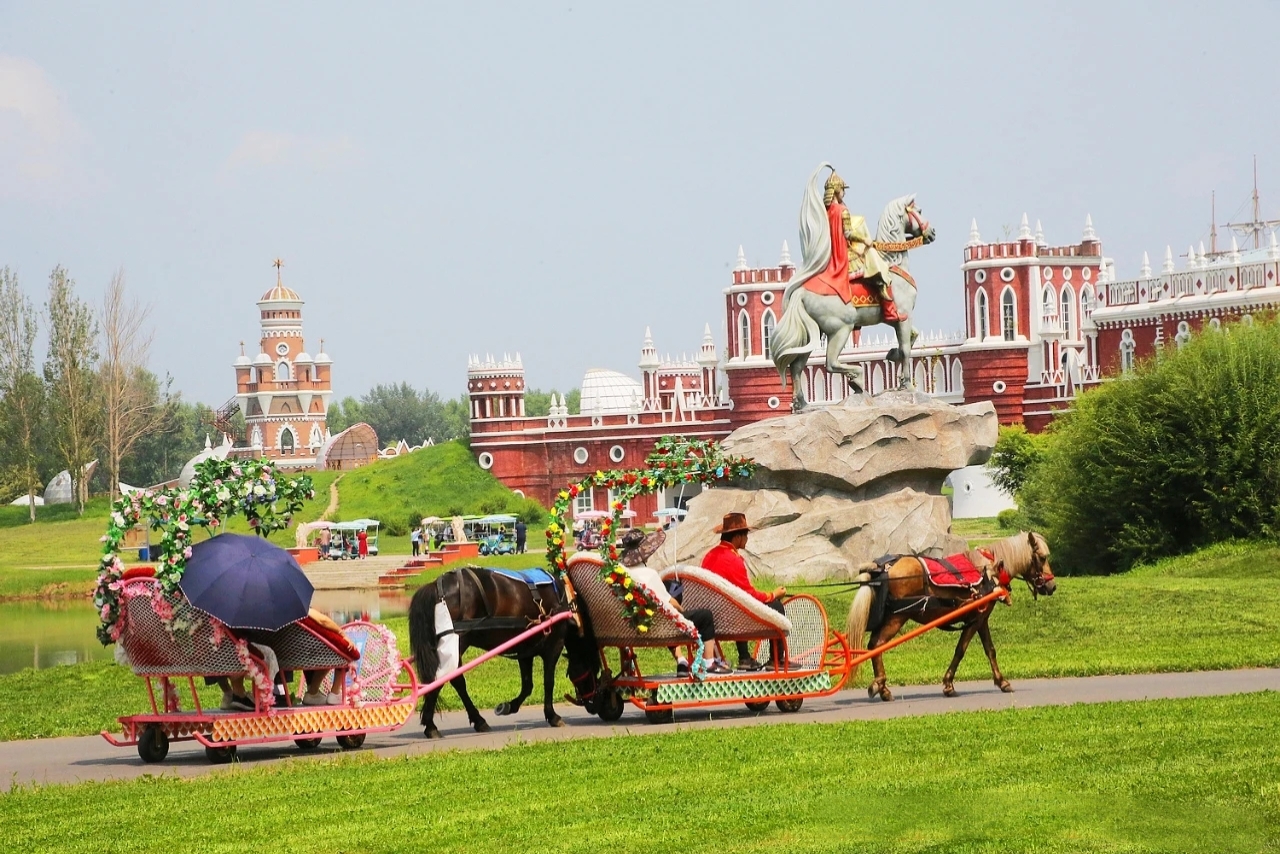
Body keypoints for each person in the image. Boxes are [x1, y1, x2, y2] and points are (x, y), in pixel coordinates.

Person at [618, 528, 730, 676]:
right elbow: (670, 603)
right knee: (704, 616)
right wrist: (682, 612)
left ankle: (681, 660)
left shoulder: (621, 576)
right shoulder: (648, 574)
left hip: (630, 629)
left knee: (665, 614)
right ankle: (709, 662)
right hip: (658, 627)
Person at [700, 512, 787, 672]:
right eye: (746, 535)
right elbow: (748, 595)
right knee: (776, 607)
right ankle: (777, 659)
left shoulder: (709, 555)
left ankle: (745, 657)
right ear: (738, 537)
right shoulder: (733, 559)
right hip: (731, 619)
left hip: (712, 617)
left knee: (736, 603)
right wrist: (773, 595)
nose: (747, 539)